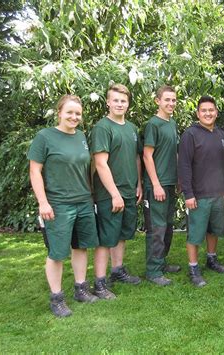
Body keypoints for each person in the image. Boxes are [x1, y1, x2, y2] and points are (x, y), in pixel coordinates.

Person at [28, 95, 99, 317]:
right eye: (69, 112)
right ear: (59, 112)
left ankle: (81, 289)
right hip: (58, 205)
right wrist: (43, 202)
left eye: (78, 113)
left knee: (81, 246)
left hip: (84, 201)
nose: (74, 117)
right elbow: (34, 171)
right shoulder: (45, 137)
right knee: (57, 253)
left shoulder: (81, 137)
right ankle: (57, 298)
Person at [91, 84, 142, 299]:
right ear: (108, 102)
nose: (120, 104)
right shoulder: (103, 128)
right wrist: (114, 194)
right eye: (116, 100)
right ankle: (99, 284)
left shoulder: (131, 128)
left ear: (128, 104)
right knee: (106, 238)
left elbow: (136, 157)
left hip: (130, 190)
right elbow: (100, 163)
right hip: (110, 194)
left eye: (123, 101)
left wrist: (139, 184)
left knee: (121, 234)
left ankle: (117, 271)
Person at [178, 96, 224, 287]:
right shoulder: (190, 135)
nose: (208, 113)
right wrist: (188, 194)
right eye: (204, 110)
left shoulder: (221, 135)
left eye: (211, 110)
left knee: (214, 230)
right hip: (198, 196)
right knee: (195, 234)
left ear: (216, 112)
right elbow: (184, 166)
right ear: (198, 113)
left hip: (217, 194)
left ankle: (211, 259)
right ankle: (193, 267)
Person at [143, 85, 181, 286]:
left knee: (167, 227)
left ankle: (162, 262)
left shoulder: (172, 123)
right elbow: (147, 156)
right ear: (158, 101)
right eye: (167, 100)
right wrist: (156, 184)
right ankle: (153, 270)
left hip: (170, 183)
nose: (171, 103)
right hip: (156, 185)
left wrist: (179, 178)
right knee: (156, 228)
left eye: (174, 100)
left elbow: (173, 152)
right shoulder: (153, 125)